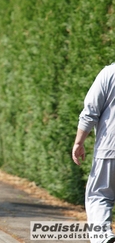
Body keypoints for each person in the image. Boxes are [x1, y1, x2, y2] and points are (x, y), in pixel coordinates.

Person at [72, 63, 115, 243]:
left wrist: (79, 142)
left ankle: (103, 239)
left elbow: (90, 111)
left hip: (110, 148)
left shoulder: (109, 73)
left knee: (99, 196)